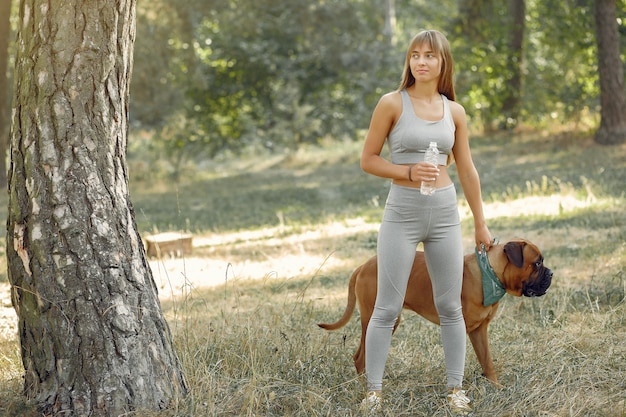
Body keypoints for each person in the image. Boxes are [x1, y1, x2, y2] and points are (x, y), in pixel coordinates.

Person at [359, 29, 493, 415]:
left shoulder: (455, 112)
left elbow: (467, 170)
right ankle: (374, 392)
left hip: (445, 216)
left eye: (429, 55)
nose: (421, 61)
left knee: (451, 306)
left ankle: (455, 390)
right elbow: (368, 159)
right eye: (415, 55)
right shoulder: (391, 104)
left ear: (442, 62)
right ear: (409, 62)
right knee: (387, 307)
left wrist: (480, 224)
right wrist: (407, 171)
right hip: (401, 214)